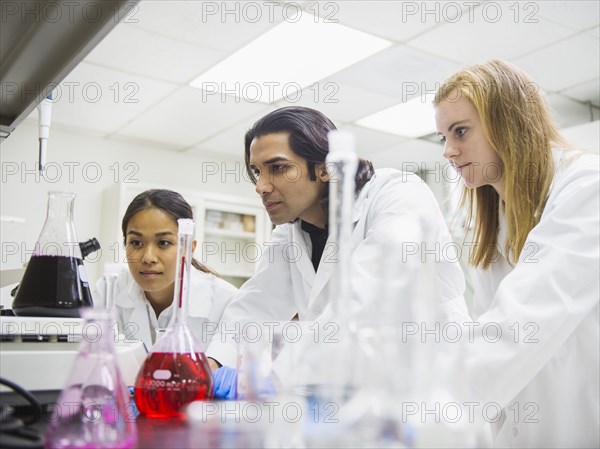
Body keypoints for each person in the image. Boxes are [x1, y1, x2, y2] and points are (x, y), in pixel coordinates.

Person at [208, 106, 470, 394]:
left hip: (432, 391)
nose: (260, 186)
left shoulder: (397, 193)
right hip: (351, 399)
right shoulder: (290, 234)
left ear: (324, 169)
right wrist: (210, 367)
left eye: (278, 168)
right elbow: (254, 306)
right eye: (257, 172)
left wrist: (275, 381)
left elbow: (365, 298)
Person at [433, 59, 599, 447]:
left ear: (508, 121)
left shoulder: (587, 187)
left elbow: (520, 325)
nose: (448, 151)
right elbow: (489, 339)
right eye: (443, 137)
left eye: (460, 131)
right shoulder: (497, 221)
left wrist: (425, 411)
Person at [94, 189, 237, 351]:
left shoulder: (226, 302)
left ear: (188, 248)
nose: (148, 257)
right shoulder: (109, 290)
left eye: (163, 243)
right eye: (136, 243)